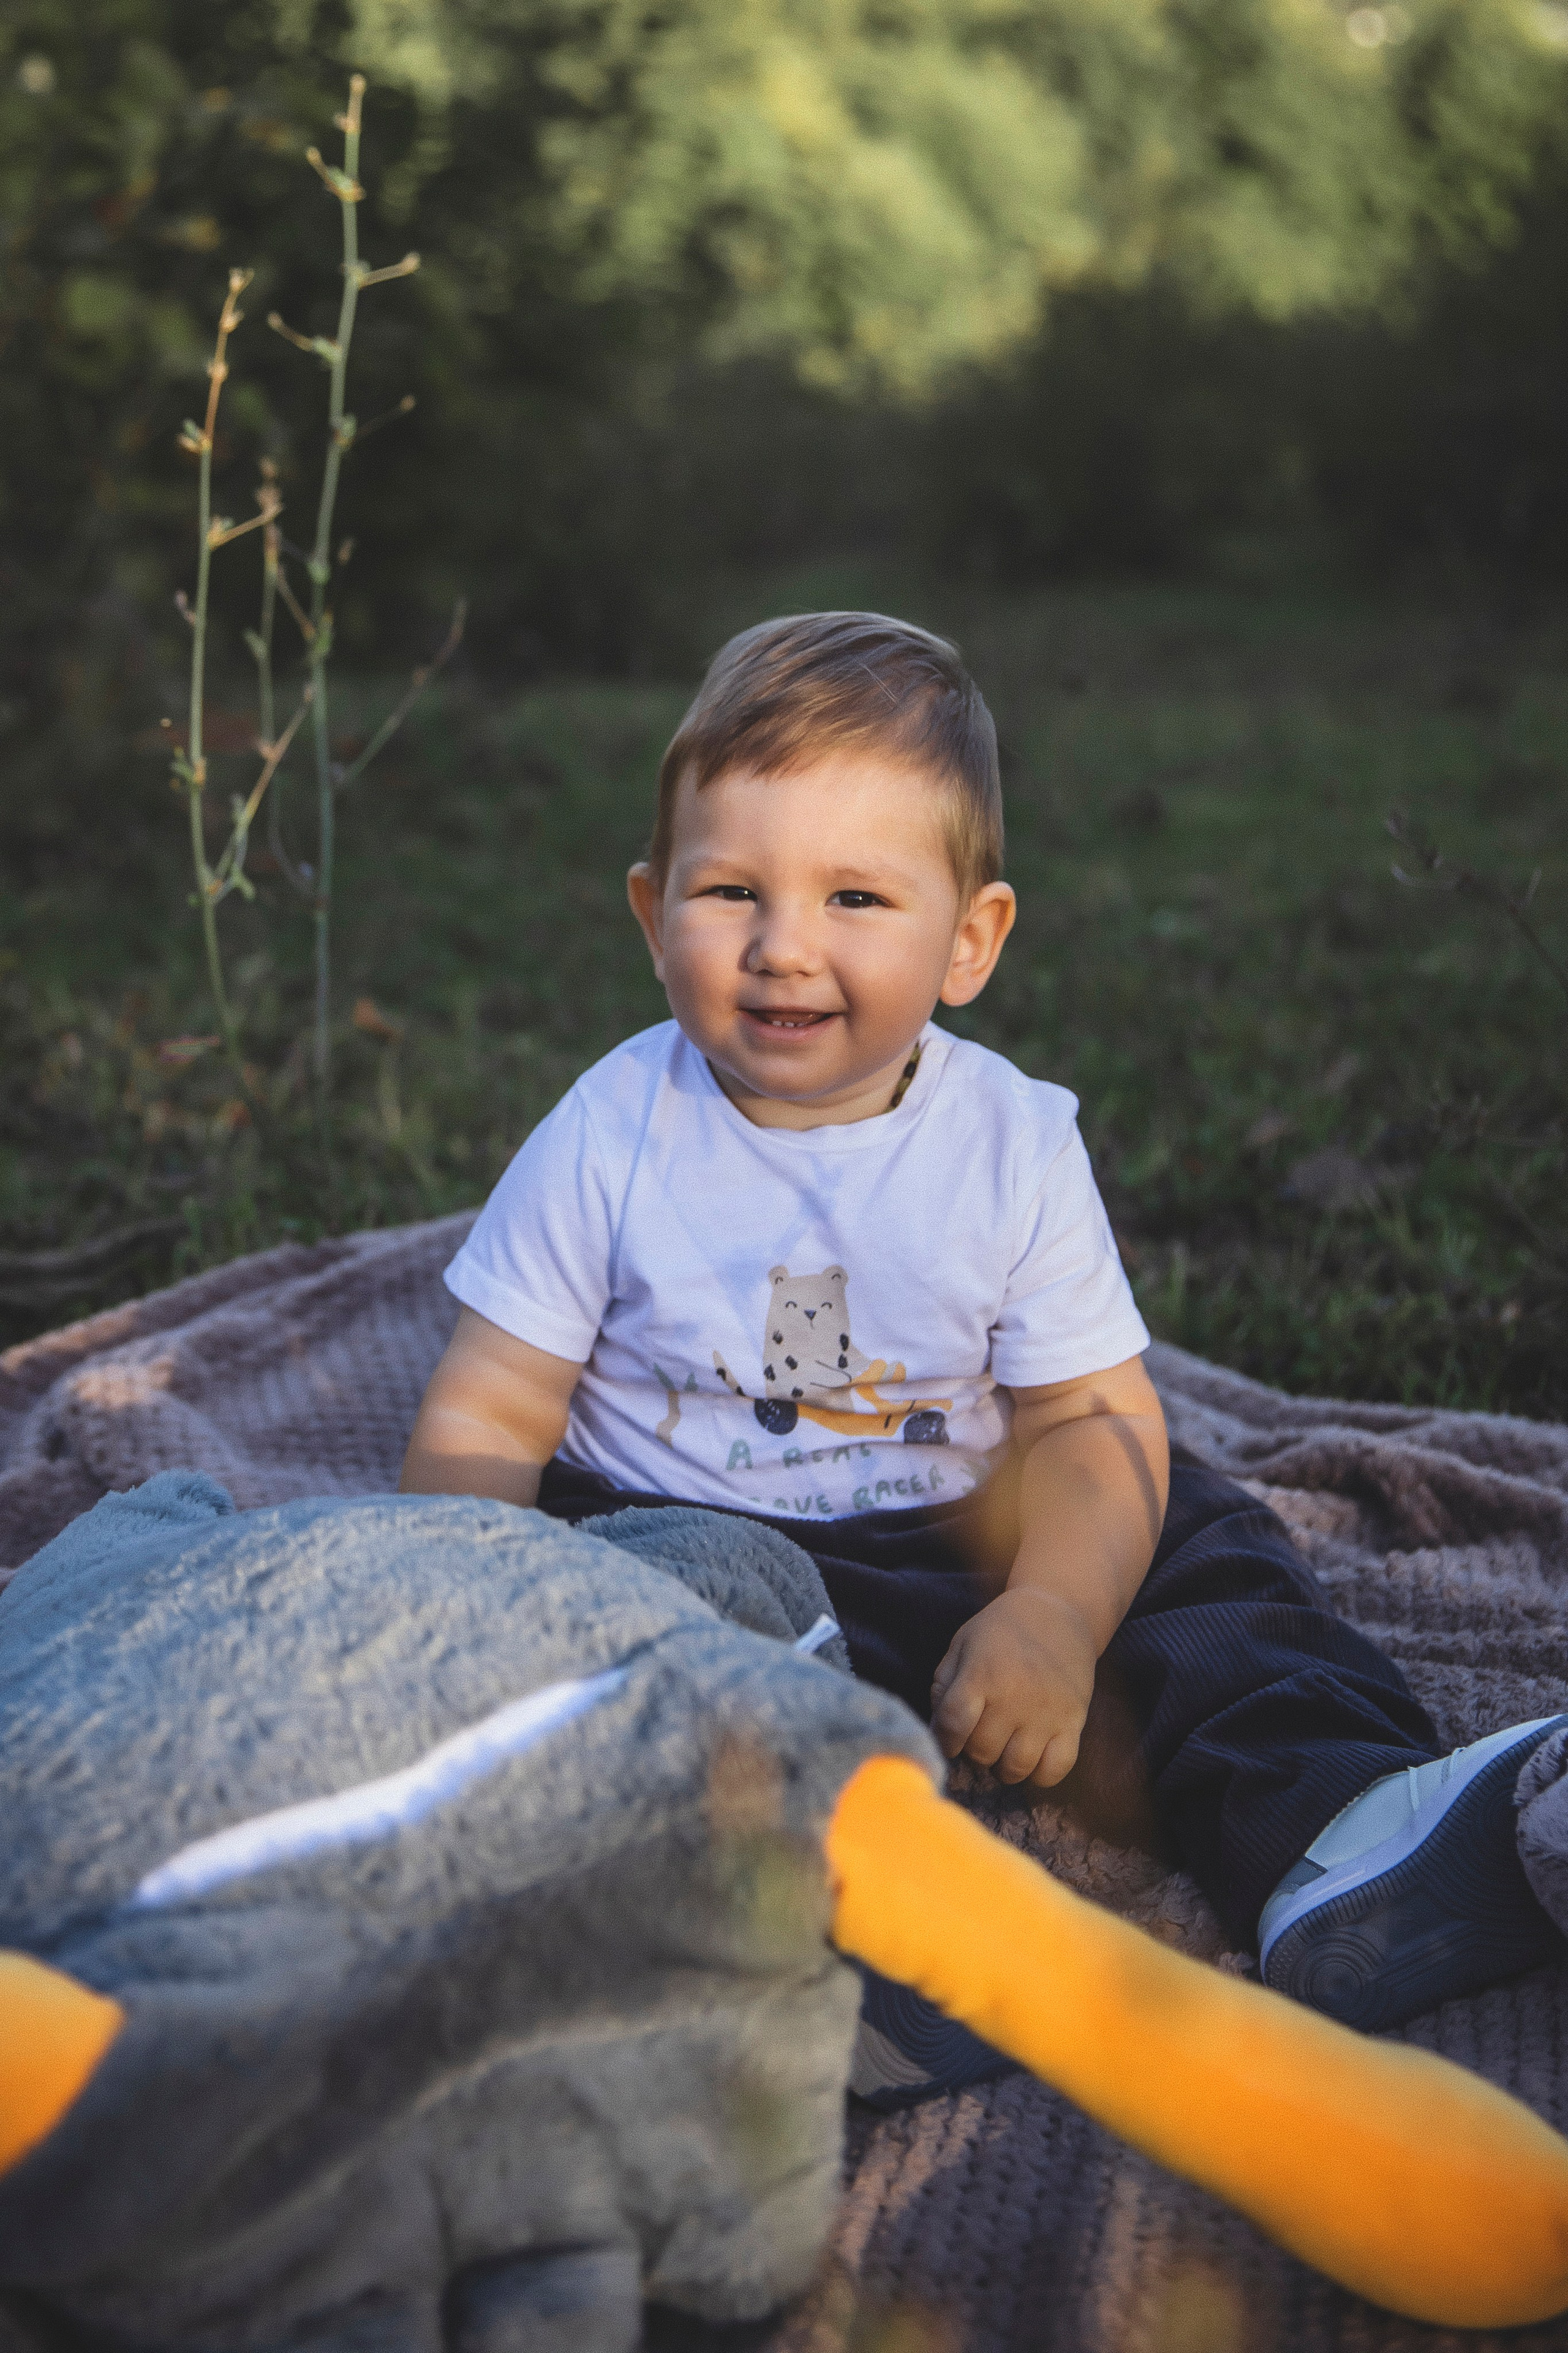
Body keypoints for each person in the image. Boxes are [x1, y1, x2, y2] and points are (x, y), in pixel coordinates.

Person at [401, 610, 1564, 2099]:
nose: (782, 946)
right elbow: (491, 1409)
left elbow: (1086, 1418)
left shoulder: (1009, 1141)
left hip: (961, 1529)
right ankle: (824, 1949)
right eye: (731, 890)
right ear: (650, 911)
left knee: (1197, 1547)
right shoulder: (611, 1130)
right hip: (684, 1539)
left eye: (856, 898)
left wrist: (1055, 1617)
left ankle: (1342, 1845)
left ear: (969, 940)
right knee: (642, 1676)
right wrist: (446, 1609)